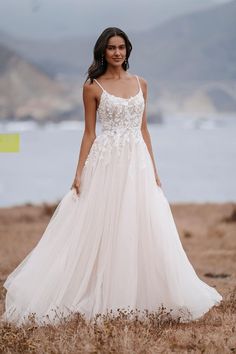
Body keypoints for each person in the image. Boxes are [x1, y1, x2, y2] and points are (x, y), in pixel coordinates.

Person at [2, 27, 222, 327]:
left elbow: (144, 129)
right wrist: (78, 172)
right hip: (106, 162)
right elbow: (89, 133)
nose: (117, 52)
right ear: (102, 52)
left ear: (128, 50)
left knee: (142, 226)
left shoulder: (141, 83)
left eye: (121, 47)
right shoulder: (92, 86)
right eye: (111, 48)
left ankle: (147, 297)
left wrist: (154, 170)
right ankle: (101, 295)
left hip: (137, 163)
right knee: (104, 226)